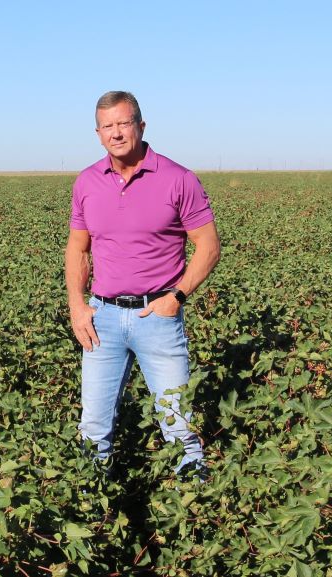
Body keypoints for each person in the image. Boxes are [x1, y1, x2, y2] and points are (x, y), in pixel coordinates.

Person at [64, 91, 221, 475]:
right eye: (107, 126)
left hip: (158, 317)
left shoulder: (178, 178)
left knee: (178, 425)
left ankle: (195, 509)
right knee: (93, 428)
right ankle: (89, 506)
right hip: (102, 318)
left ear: (141, 126)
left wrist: (176, 297)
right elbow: (77, 248)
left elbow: (209, 246)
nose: (116, 133)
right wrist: (76, 305)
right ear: (98, 133)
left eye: (123, 123)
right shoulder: (86, 182)